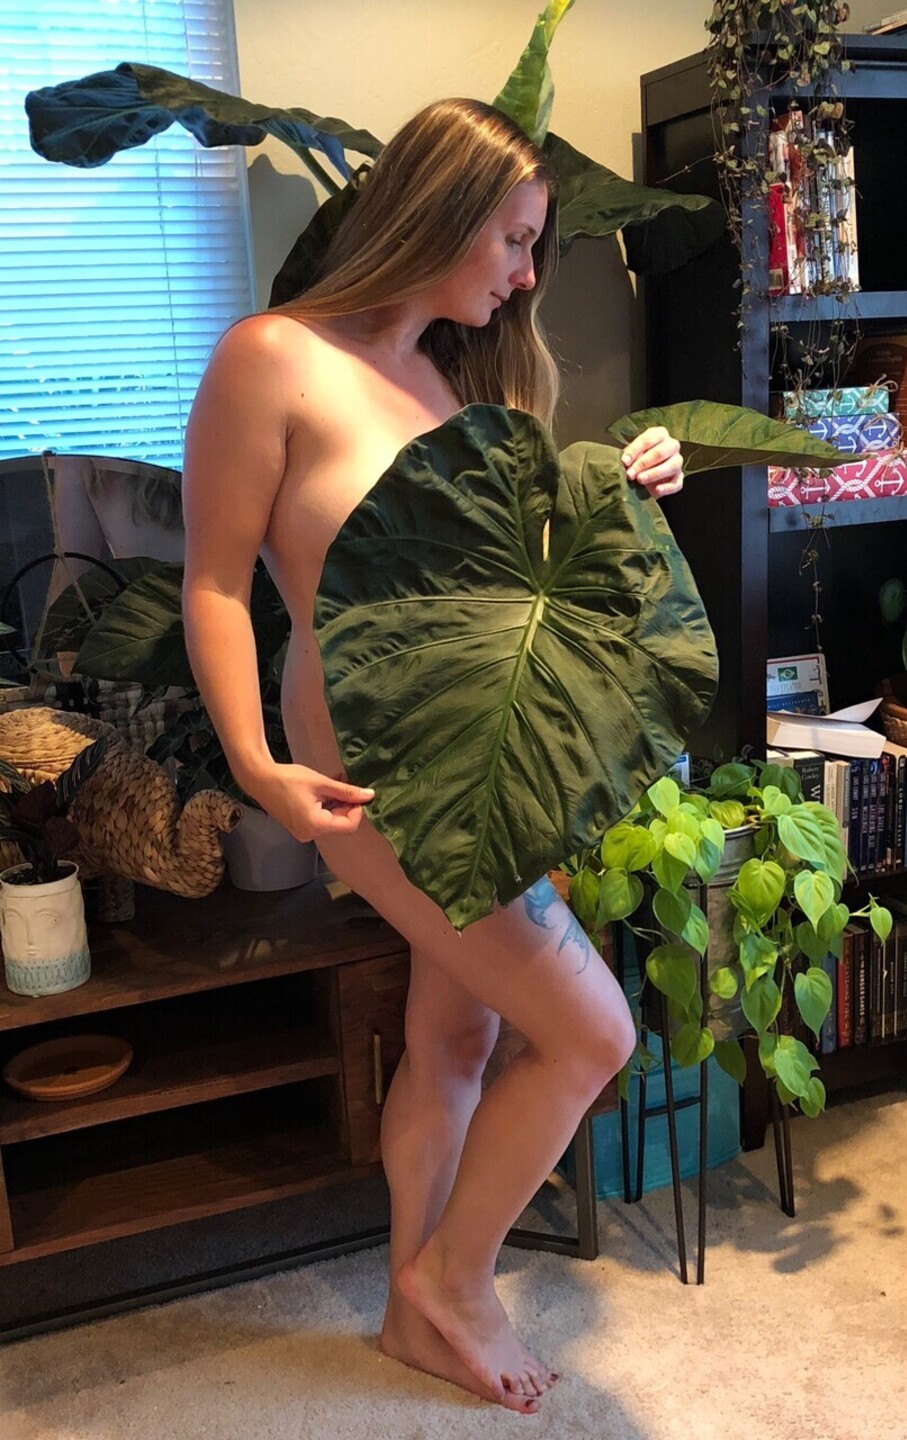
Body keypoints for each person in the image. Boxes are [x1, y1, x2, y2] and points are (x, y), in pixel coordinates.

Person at [181, 97, 684, 1416]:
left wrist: (624, 487)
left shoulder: (450, 377)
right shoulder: (270, 359)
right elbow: (217, 585)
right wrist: (255, 764)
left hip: (480, 759)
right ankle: (456, 1280)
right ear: (441, 212)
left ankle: (415, 1311)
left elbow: (508, 580)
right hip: (370, 775)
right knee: (592, 1033)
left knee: (456, 1035)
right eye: (514, 240)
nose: (525, 273)